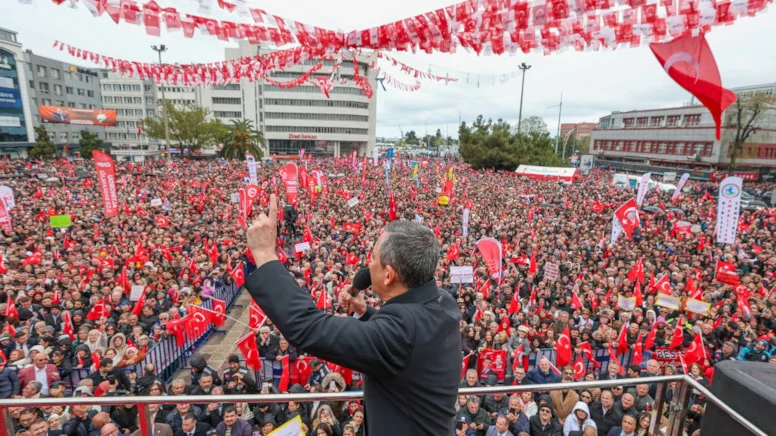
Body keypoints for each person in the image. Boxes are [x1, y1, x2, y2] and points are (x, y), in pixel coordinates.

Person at [246, 207, 462, 436]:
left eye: (374, 259)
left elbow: (308, 327)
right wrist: (365, 312)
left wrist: (265, 255)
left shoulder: (401, 331)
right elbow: (408, 340)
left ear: (388, 275)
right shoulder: (442, 301)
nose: (368, 265)